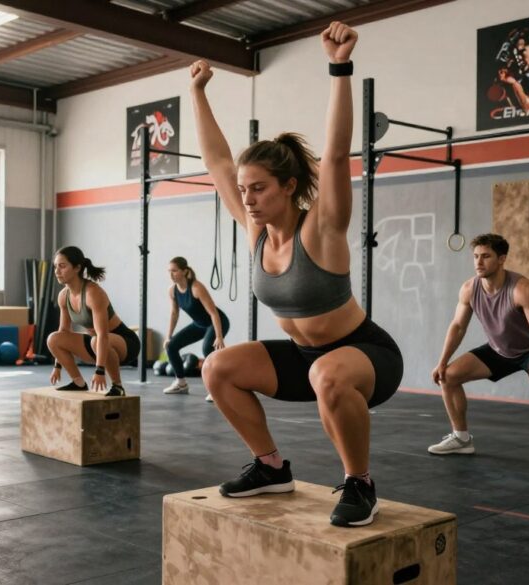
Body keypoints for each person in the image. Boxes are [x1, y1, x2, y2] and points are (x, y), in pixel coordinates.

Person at [191, 22, 403, 527]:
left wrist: (340, 67)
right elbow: (217, 160)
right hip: (306, 360)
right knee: (216, 368)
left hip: (365, 356)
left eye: (259, 188)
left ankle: (360, 483)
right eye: (244, 189)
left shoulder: (323, 228)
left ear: (289, 187)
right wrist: (197, 93)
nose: (246, 197)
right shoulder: (254, 229)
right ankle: (270, 467)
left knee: (325, 373)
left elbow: (333, 154)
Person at [429, 233, 529, 474]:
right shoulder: (469, 289)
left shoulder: (522, 288)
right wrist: (442, 362)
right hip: (499, 349)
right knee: (448, 376)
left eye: (485, 256)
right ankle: (461, 439)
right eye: (475, 257)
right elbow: (458, 326)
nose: (478, 262)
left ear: (502, 259)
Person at [47, 246, 141, 397]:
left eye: (62, 266)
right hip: (96, 344)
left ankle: (118, 386)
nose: (57, 271)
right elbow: (64, 331)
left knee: (95, 340)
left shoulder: (93, 293)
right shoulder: (63, 296)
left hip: (125, 344)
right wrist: (57, 366)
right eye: (56, 266)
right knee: (53, 338)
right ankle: (78, 382)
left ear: (77, 268)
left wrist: (100, 370)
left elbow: (103, 335)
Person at [162, 256, 229, 399]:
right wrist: (168, 336)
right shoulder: (172, 290)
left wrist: (219, 336)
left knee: (207, 349)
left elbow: (213, 313)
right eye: (169, 271)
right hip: (199, 325)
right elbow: (174, 314)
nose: (171, 274)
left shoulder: (196, 288)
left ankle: (218, 389)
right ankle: (181, 383)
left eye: (174, 271)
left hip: (217, 322)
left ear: (184, 271)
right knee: (171, 346)